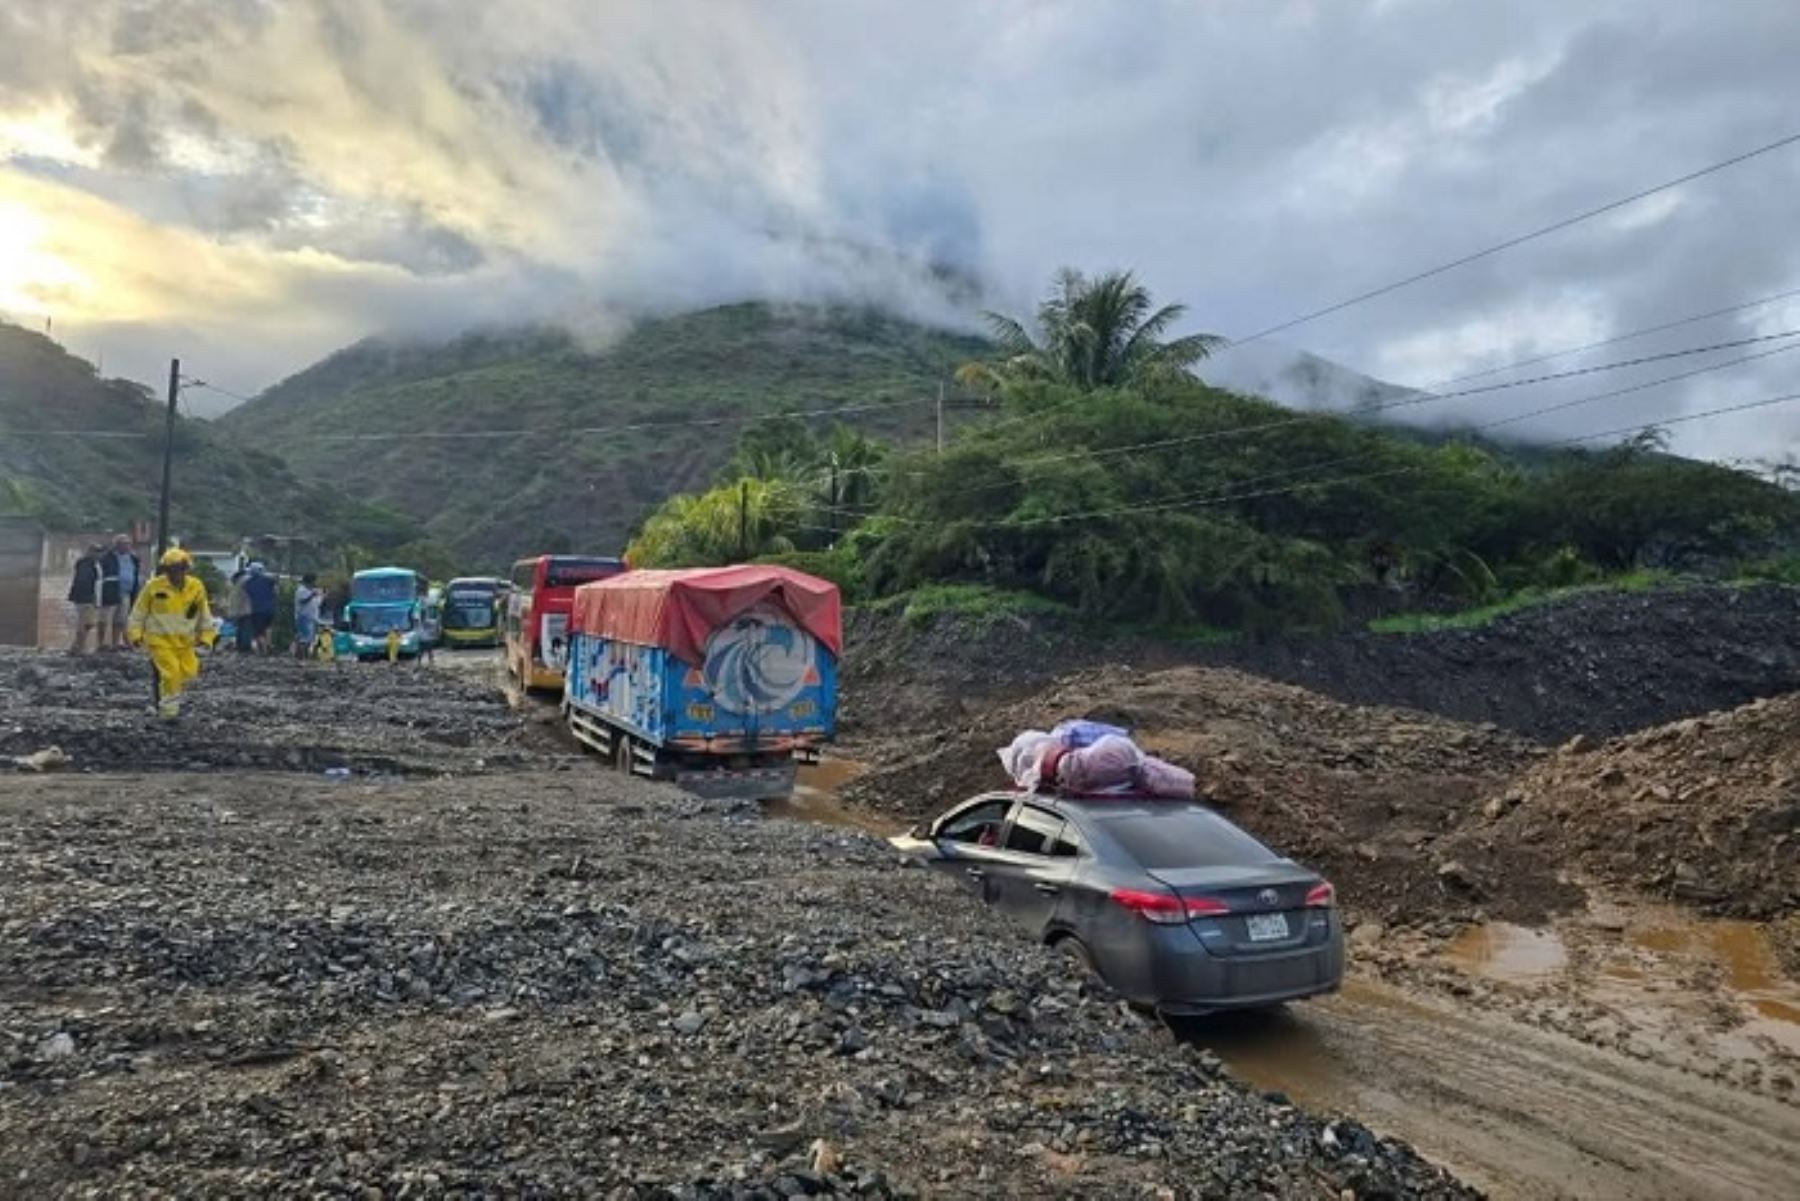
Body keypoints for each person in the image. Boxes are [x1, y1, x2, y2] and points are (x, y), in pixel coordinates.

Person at [127, 548, 216, 719]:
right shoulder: (153, 587)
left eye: (177, 569)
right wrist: (135, 635)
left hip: (184, 642)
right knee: (171, 673)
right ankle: (169, 712)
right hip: (159, 640)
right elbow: (138, 612)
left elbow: (204, 613)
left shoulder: (196, 587)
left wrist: (207, 638)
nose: (174, 574)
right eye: (170, 570)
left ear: (185, 569)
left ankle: (161, 702)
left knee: (187, 673)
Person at [99, 534, 143, 651]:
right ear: (117, 545)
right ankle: (100, 643)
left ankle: (115, 643)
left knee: (121, 619)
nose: (126, 546)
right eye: (123, 544)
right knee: (104, 618)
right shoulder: (109, 557)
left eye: (128, 544)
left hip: (126, 593)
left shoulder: (133, 558)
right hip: (109, 592)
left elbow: (135, 573)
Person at [66, 544, 104, 655]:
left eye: (100, 551)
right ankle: (79, 647)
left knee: (88, 623)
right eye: (96, 551)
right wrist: (91, 597)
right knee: (84, 623)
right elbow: (83, 581)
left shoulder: (94, 563)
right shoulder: (85, 563)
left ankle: (76, 646)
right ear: (90, 551)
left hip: (89, 597)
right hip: (85, 598)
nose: (98, 554)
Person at [242, 562, 277, 654]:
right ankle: (269, 644)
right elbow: (275, 590)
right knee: (268, 628)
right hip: (270, 609)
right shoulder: (269, 580)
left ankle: (264, 649)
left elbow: (247, 594)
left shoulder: (248, 583)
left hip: (257, 610)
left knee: (258, 632)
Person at [293, 574, 323, 661]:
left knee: (309, 639)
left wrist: (320, 596)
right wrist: (312, 595)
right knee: (304, 639)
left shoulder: (312, 591)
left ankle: (303, 657)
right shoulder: (301, 590)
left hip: (312, 617)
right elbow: (302, 600)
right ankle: (301, 658)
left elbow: (317, 603)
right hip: (303, 617)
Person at [227, 568, 253, 652]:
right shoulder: (246, 581)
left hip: (235, 610)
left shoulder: (234, 583)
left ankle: (239, 646)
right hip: (245, 609)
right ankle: (245, 647)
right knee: (246, 628)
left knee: (240, 628)